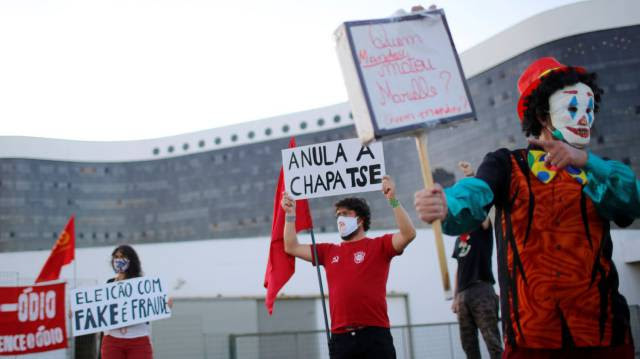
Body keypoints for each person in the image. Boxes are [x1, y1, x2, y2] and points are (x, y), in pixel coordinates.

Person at [414, 57, 638, 358]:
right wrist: (447, 203)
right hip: (532, 340)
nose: (584, 118)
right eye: (572, 108)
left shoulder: (599, 172)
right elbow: (476, 193)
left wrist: (586, 161)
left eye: (588, 109)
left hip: (604, 337)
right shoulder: (506, 164)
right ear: (543, 115)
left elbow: (631, 201)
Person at [281, 175, 416, 359]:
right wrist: (290, 215)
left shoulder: (379, 246)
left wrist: (392, 199)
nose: (340, 219)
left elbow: (408, 234)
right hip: (341, 339)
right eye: (338, 215)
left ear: (360, 220)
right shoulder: (328, 251)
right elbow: (291, 246)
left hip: (375, 335)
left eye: (345, 214)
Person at [450, 161, 502, 359]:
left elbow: (481, 204)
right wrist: (456, 297)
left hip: (482, 289)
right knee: (468, 345)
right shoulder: (459, 237)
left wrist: (471, 177)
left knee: (492, 340)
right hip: (463, 294)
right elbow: (458, 268)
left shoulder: (481, 227)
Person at [100, 244, 153, 359]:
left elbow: (151, 305)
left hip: (138, 339)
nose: (118, 260)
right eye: (116, 257)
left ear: (131, 260)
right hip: (112, 341)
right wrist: (78, 309)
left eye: (122, 257)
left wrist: (165, 305)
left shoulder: (142, 284)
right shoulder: (108, 284)